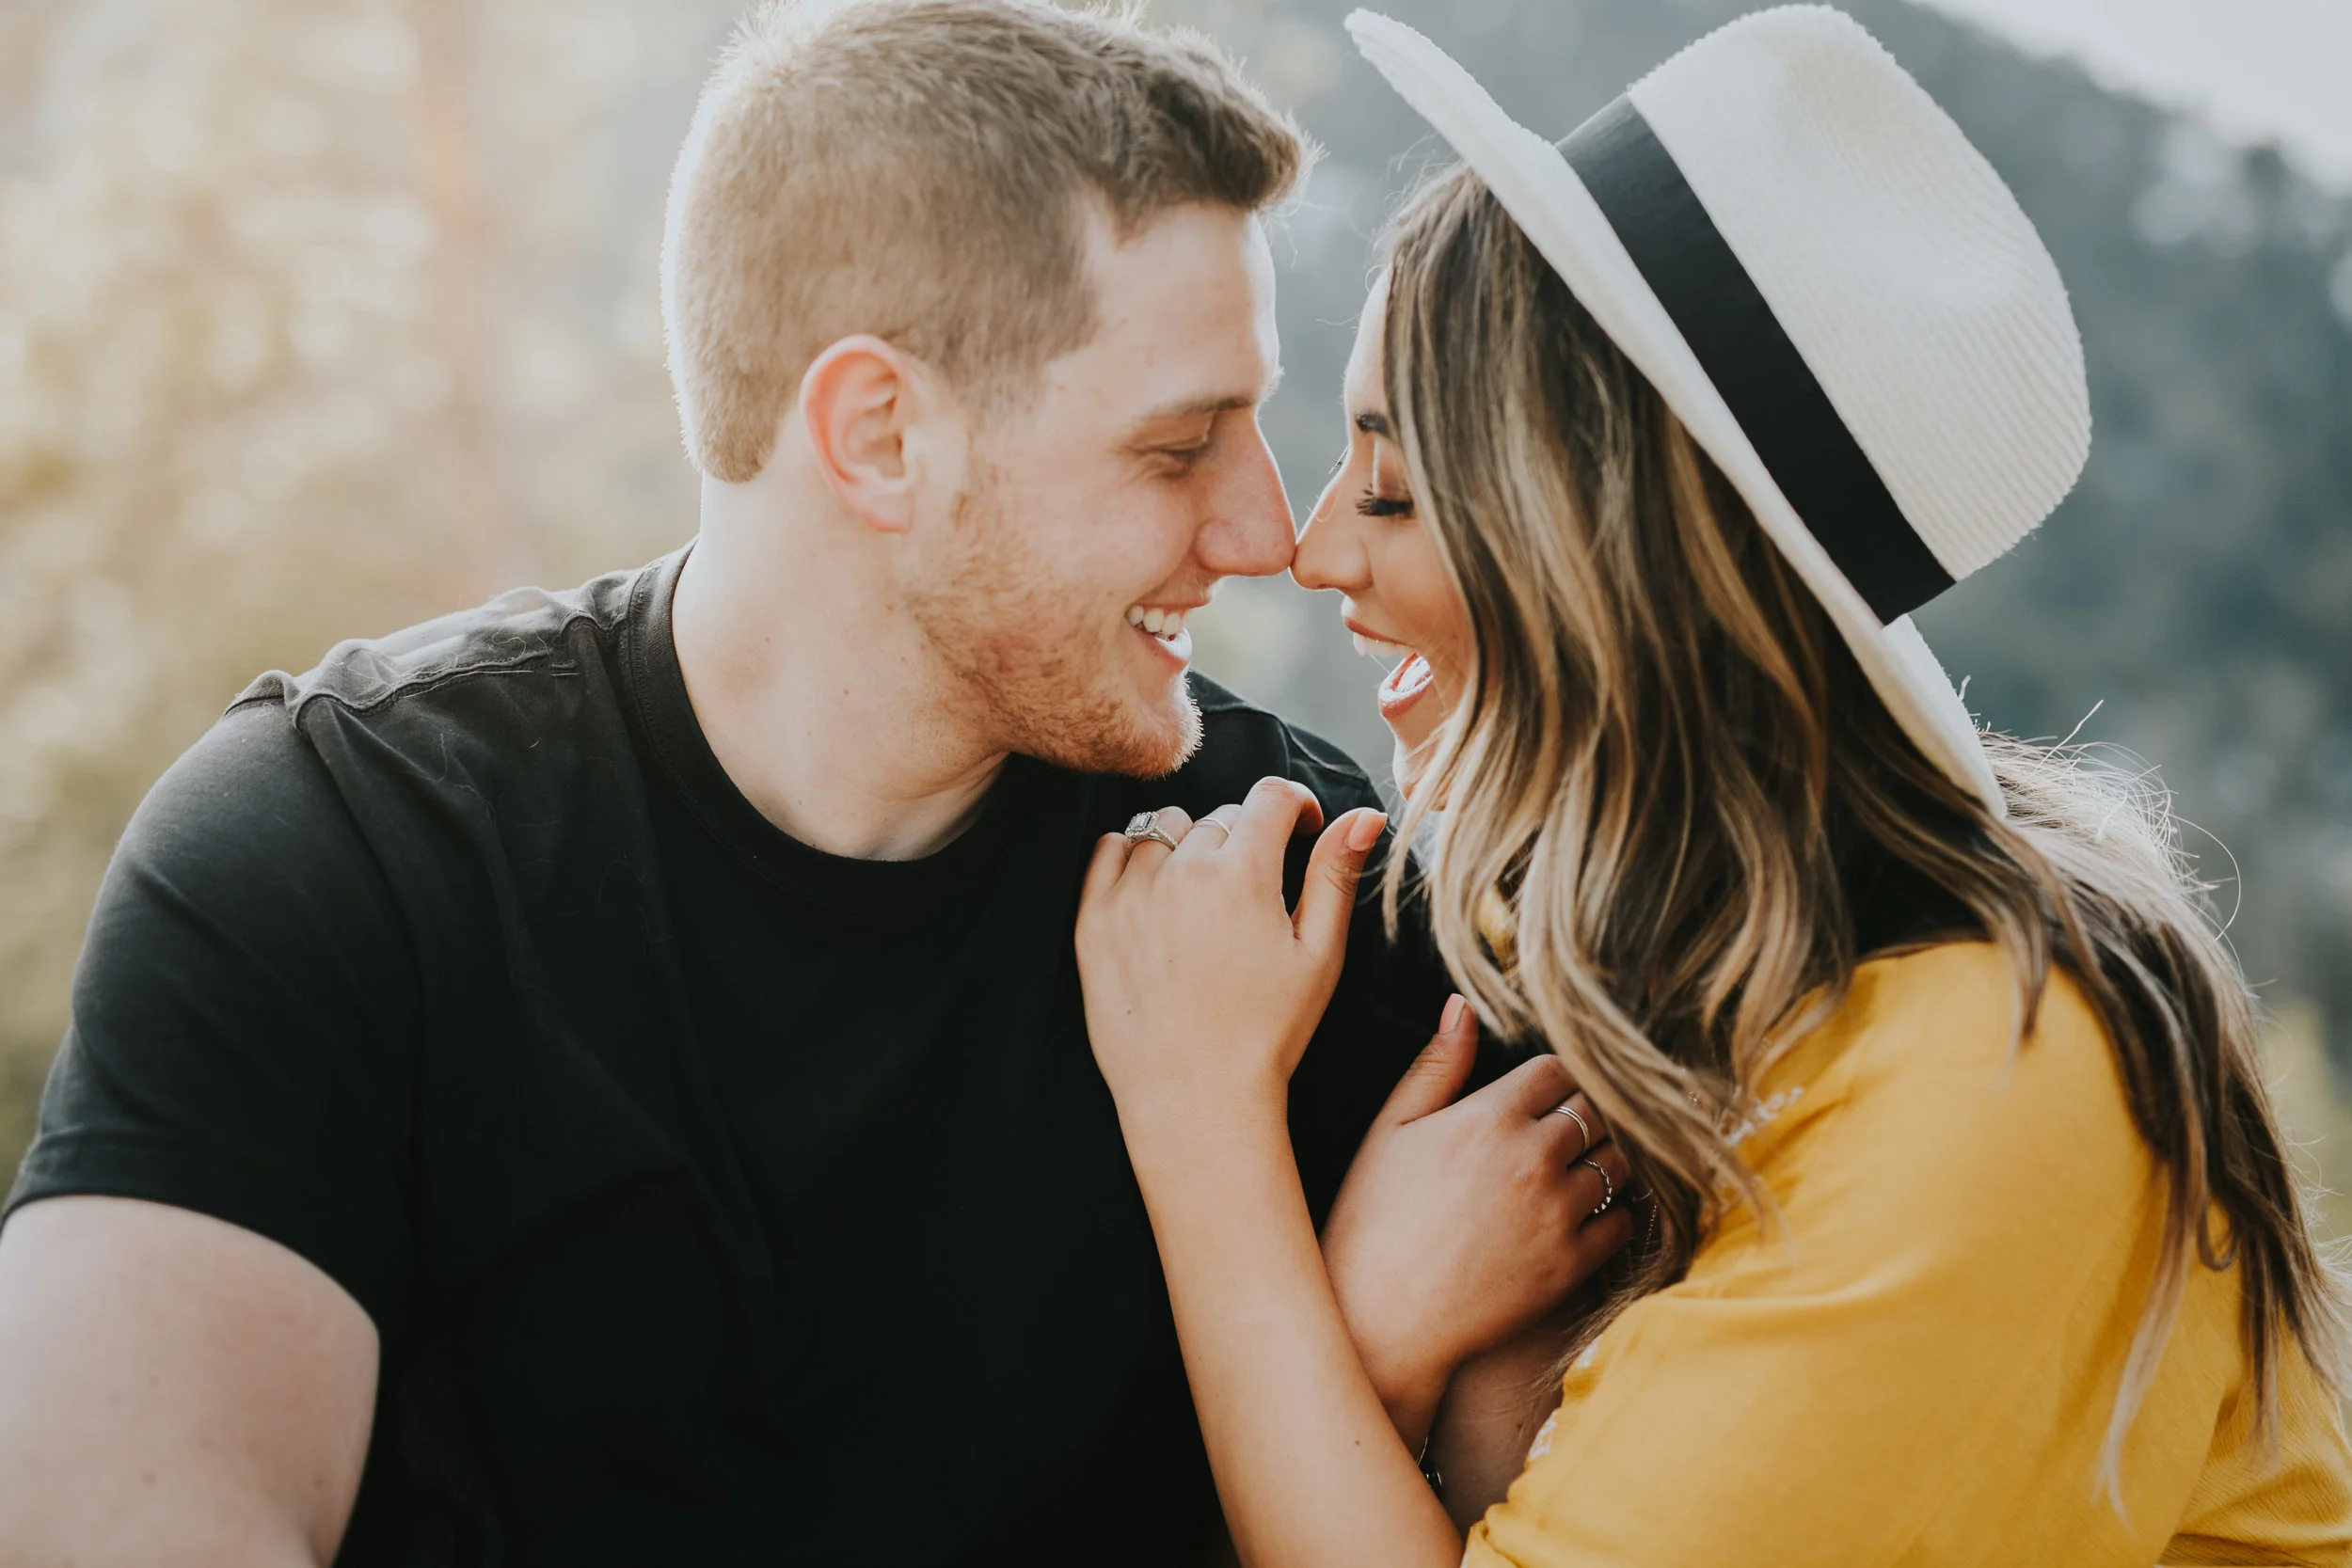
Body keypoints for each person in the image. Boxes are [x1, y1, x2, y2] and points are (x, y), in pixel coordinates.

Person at [0, 3, 1566, 1562]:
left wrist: (1380, 1359)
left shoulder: (1312, 882)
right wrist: (1354, 1348)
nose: (1264, 533)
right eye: (1178, 448)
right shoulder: (328, 860)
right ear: (879, 434)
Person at [1074, 9, 2352, 1565]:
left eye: (1397, 485)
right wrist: (1402, 1342)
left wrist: (1208, 1135)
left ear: (1611, 562)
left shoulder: (1998, 1082)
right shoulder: (1706, 991)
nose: (1315, 543)